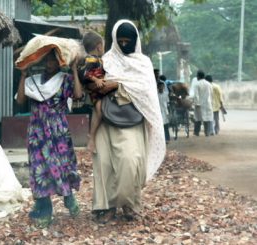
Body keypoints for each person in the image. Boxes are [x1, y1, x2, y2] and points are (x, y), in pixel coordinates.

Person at [90, 19, 166, 223]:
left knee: (130, 162)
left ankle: (130, 204)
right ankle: (108, 207)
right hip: (106, 119)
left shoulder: (144, 63)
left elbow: (146, 91)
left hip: (133, 119)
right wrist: (101, 86)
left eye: (127, 41)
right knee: (105, 165)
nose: (124, 45)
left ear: (135, 40)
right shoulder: (106, 60)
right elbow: (93, 84)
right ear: (115, 41)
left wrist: (116, 85)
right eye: (120, 41)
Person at [16, 49, 83, 227]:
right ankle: (45, 210)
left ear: (59, 62)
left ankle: (69, 198)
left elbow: (77, 95)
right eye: (46, 61)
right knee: (40, 170)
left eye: (53, 61)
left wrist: (74, 70)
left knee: (61, 166)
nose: (49, 64)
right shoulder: (34, 80)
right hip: (37, 132)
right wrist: (23, 76)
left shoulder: (65, 79)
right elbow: (20, 100)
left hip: (58, 131)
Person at [80, 31, 106, 153]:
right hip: (93, 90)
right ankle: (92, 137)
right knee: (99, 110)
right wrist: (96, 79)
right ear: (99, 46)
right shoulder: (91, 60)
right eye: (103, 46)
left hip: (97, 89)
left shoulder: (97, 59)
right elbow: (85, 74)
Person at [193, 70, 213, 136]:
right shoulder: (209, 84)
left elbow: (196, 95)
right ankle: (207, 132)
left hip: (199, 104)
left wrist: (196, 103)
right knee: (207, 118)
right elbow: (211, 94)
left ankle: (196, 132)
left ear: (198, 76)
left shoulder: (197, 84)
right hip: (208, 103)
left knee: (198, 119)